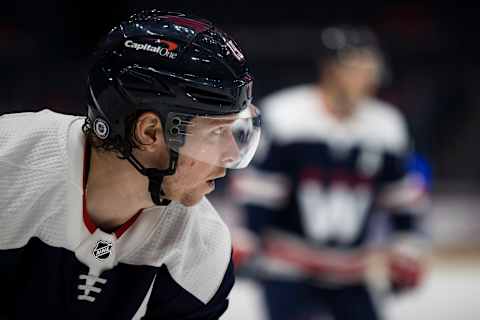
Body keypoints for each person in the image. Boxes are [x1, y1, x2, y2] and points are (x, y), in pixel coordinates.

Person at [0, 10, 261, 319]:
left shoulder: (203, 247)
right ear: (149, 132)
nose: (230, 155)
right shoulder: (8, 161)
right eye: (217, 132)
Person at [230, 25, 430, 320]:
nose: (368, 76)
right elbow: (260, 191)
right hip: (288, 267)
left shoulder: (387, 124)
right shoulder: (286, 116)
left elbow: (401, 196)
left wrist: (407, 246)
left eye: (371, 66)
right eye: (357, 65)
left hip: (352, 270)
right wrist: (247, 237)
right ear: (330, 68)